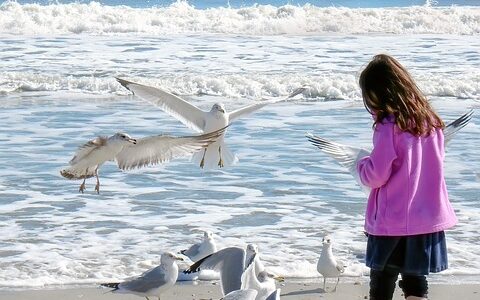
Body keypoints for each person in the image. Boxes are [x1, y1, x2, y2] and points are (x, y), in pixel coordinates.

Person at [355, 54, 457, 300]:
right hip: (425, 220)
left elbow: (377, 175)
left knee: (382, 279)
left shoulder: (388, 126)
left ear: (379, 93)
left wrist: (361, 166)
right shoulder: (430, 122)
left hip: (394, 222)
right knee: (415, 281)